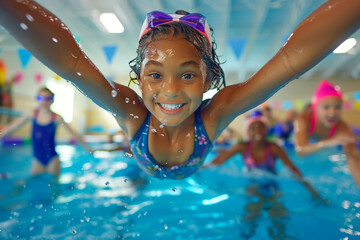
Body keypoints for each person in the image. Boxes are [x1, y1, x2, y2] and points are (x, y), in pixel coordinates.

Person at [0, 0, 359, 179]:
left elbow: (290, 63)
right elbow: (72, 64)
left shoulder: (217, 112)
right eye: (155, 75)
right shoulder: (130, 110)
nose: (170, 91)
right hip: (138, 175)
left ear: (207, 79)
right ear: (139, 79)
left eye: (187, 76)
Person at [207, 110, 321, 199]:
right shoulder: (242, 146)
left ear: (266, 130)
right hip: (252, 183)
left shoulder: (274, 148)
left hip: (272, 182)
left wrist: (310, 189)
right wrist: (200, 168)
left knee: (277, 214)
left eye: (261, 127)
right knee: (251, 214)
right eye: (253, 128)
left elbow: (292, 169)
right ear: (248, 132)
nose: (257, 131)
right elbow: (219, 160)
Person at [0, 87, 93, 176]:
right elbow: (12, 127)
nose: (44, 101)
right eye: (41, 98)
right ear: (37, 99)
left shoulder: (56, 118)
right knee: (32, 183)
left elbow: (74, 134)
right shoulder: (32, 114)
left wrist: (88, 149)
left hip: (53, 159)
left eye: (48, 98)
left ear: (52, 100)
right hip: (37, 160)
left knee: (54, 187)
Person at [294, 79, 360, 186]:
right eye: (326, 107)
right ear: (316, 108)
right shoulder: (304, 120)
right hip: (308, 141)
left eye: (337, 107)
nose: (332, 112)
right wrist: (327, 142)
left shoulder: (342, 127)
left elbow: (353, 159)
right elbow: (300, 150)